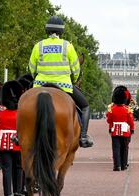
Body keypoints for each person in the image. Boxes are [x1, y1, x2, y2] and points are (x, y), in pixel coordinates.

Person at [29, 15, 93, 148]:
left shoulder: (38, 46)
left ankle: (18, 135)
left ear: (47, 30)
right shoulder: (67, 46)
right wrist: (74, 80)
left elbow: (31, 68)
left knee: (22, 102)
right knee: (85, 106)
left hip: (40, 85)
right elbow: (76, 68)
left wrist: (36, 78)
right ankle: (83, 137)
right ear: (61, 31)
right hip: (64, 86)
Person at [107, 87, 135, 172]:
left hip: (115, 131)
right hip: (125, 132)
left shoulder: (112, 109)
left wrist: (111, 127)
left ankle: (117, 166)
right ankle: (124, 165)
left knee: (116, 149)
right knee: (125, 148)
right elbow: (131, 121)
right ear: (124, 99)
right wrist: (132, 129)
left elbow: (109, 120)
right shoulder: (127, 110)